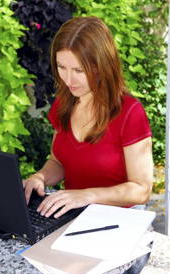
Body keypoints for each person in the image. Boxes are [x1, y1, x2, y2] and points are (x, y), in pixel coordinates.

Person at [23, 16, 153, 220]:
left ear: (102, 66)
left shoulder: (130, 112)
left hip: (119, 222)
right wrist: (41, 177)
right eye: (61, 67)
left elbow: (141, 189)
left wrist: (87, 195)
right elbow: (58, 161)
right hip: (72, 217)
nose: (68, 79)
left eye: (78, 70)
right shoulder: (64, 104)